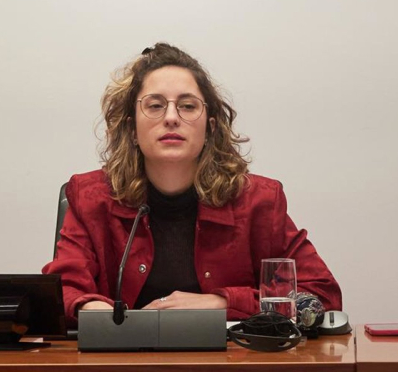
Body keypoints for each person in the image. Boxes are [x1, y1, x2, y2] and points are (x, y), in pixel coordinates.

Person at [43, 43, 341, 321]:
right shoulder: (91, 198)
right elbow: (61, 291)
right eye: (155, 106)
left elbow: (321, 294)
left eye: (187, 106)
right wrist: (97, 313)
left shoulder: (258, 202)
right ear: (132, 129)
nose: (172, 118)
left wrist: (221, 303)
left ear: (210, 128)